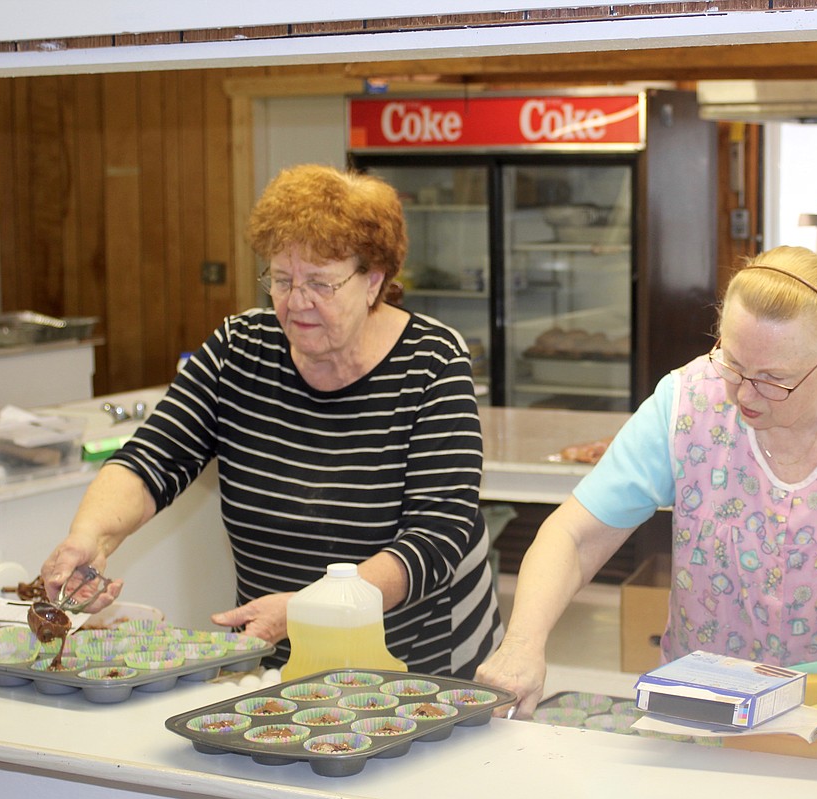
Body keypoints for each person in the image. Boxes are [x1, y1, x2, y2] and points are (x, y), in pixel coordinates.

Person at [477, 245, 817, 716]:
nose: (744, 393)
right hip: (708, 703)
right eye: (733, 362)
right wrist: (522, 643)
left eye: (772, 378)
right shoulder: (688, 403)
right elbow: (575, 535)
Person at [40, 164, 503, 678]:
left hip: (417, 658)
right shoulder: (240, 349)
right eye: (281, 280)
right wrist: (90, 538)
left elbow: (439, 530)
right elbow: (152, 459)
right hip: (279, 656)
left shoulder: (431, 361)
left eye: (321, 284)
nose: (296, 302)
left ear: (373, 281)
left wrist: (314, 608)